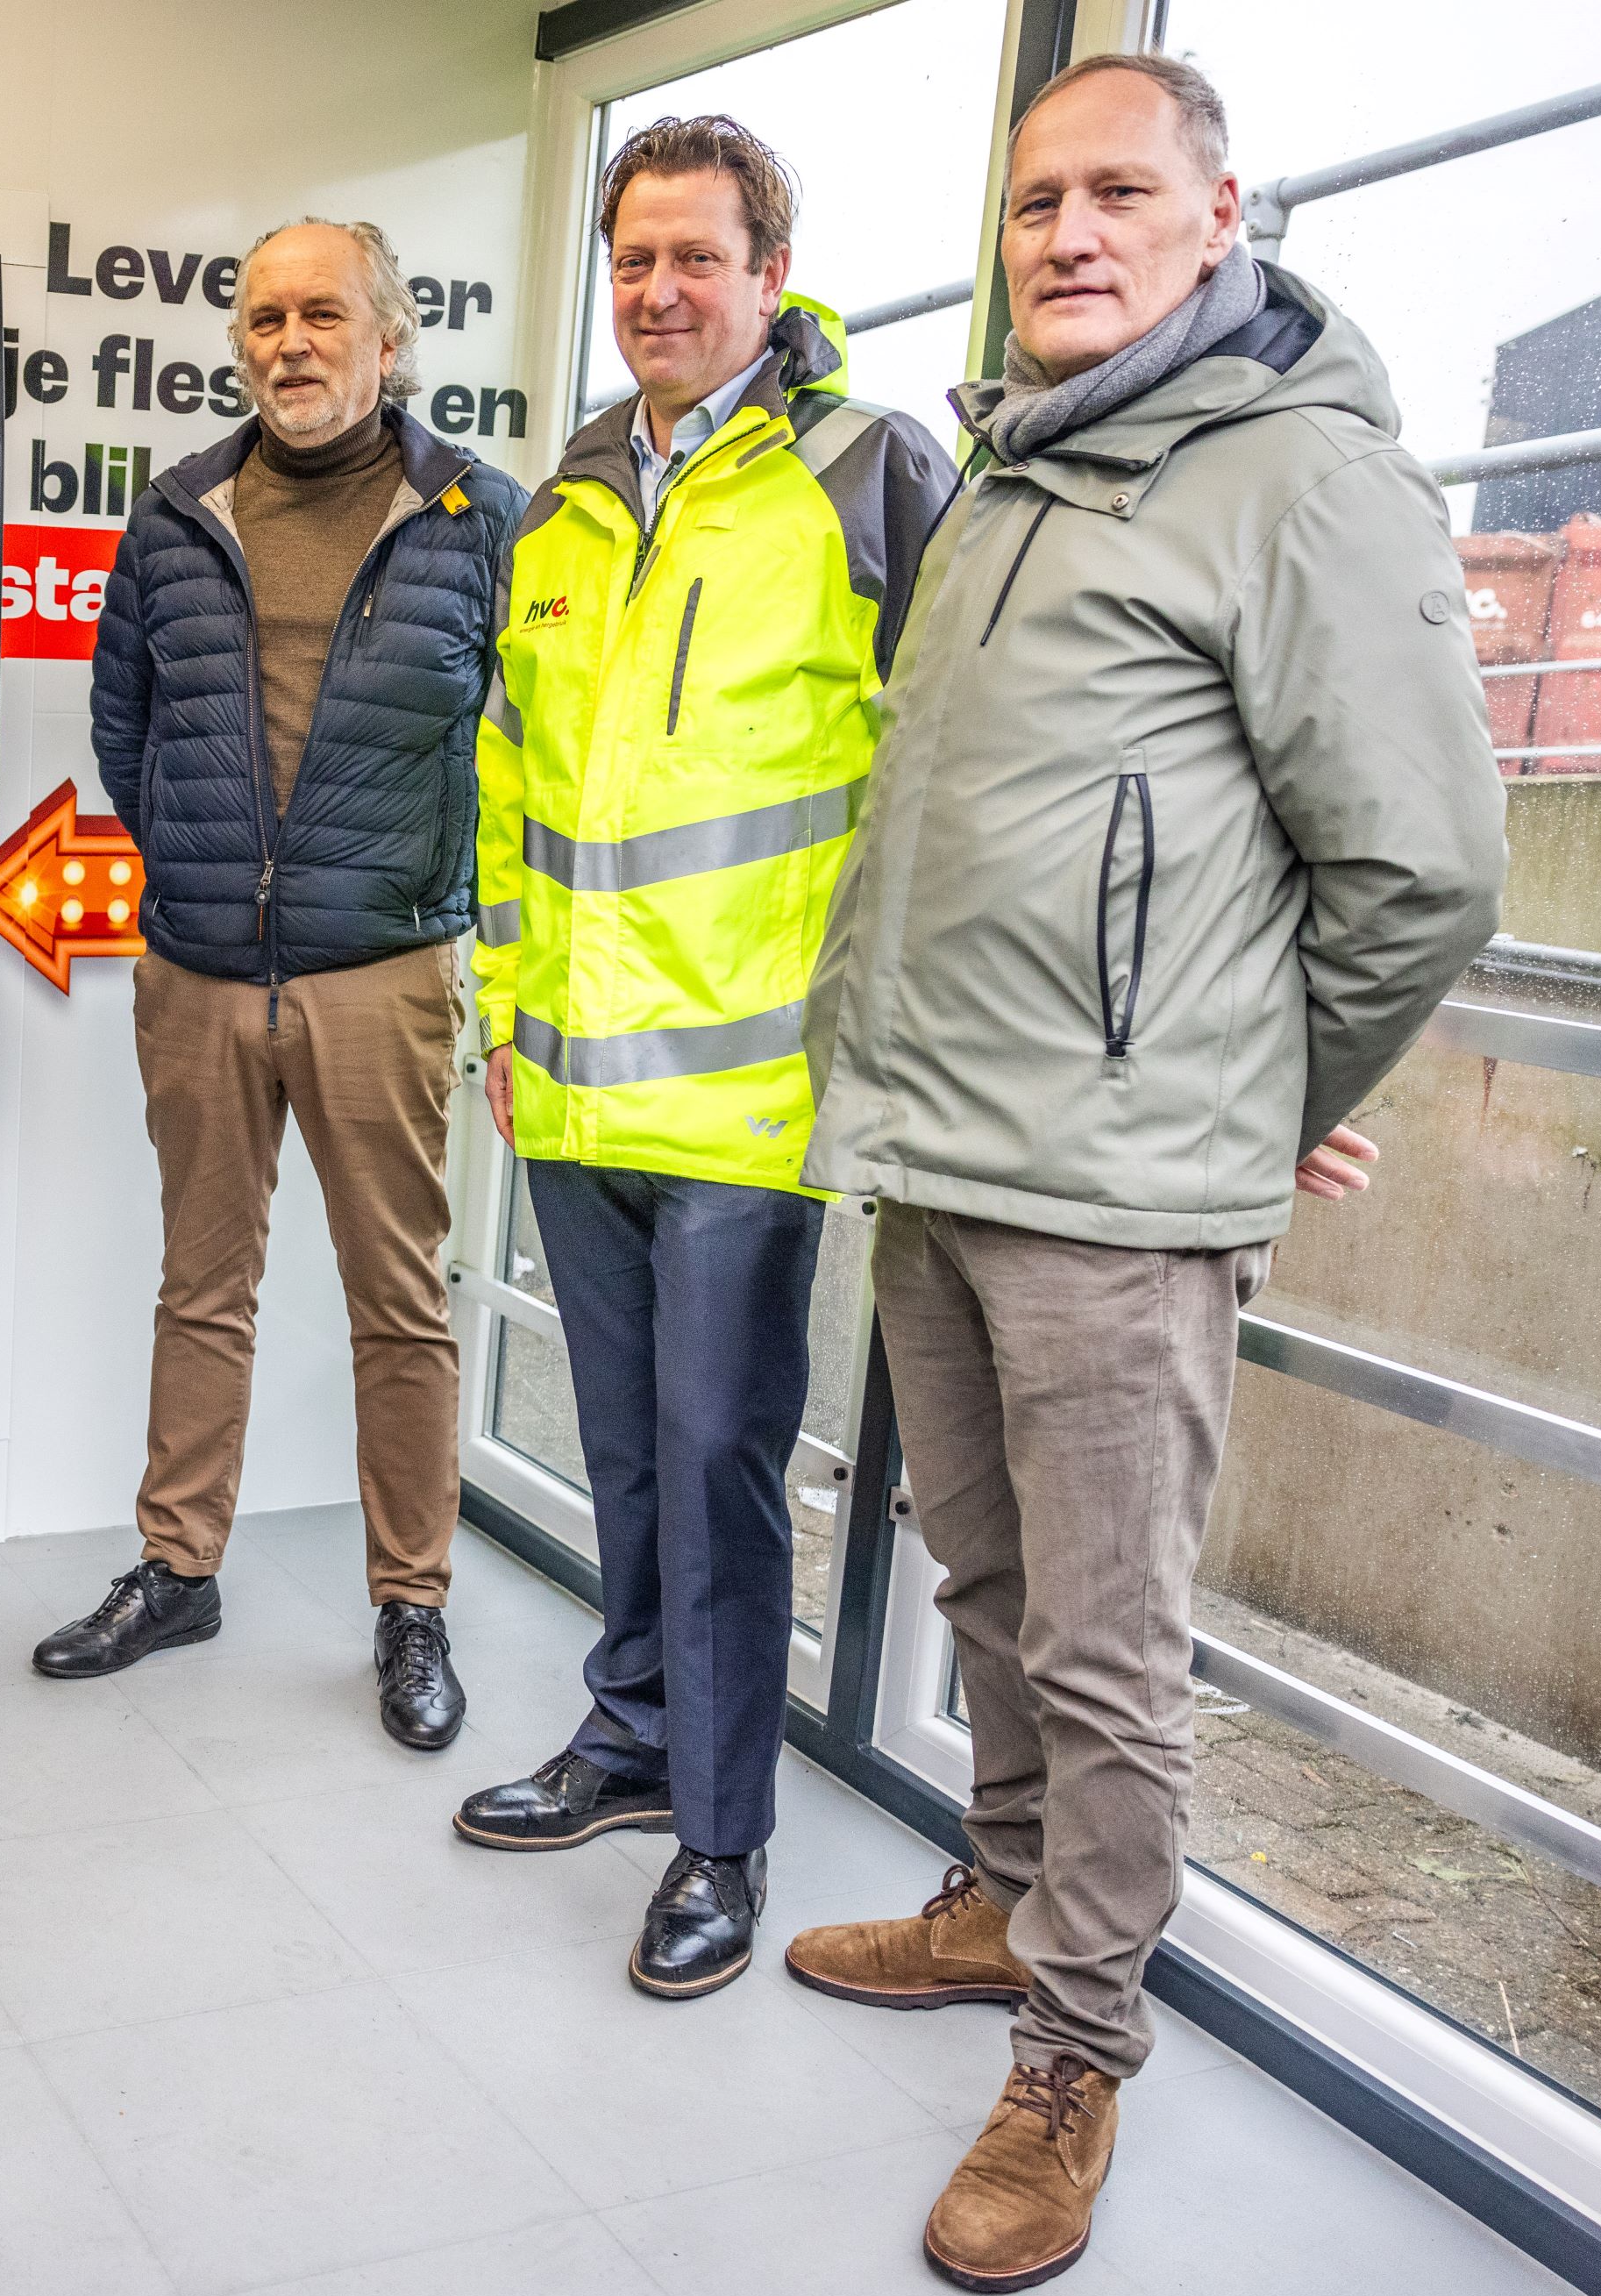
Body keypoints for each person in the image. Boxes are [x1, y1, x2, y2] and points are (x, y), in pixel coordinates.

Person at [786, 54, 1504, 2293]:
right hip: (941, 1142)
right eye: (1031, 201)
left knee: (1104, 1647)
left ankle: (1076, 2053)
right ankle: (1000, 1908)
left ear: (1221, 218)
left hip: (1118, 1197)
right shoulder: (1017, 467)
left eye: (1114, 193)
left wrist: (1257, 1096)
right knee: (979, 1586)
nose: (1065, 233)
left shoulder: (1297, 481)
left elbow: (1421, 873)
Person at [452, 117, 954, 2000]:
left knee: (716, 1461)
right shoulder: (565, 498)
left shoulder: (865, 473)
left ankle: (721, 1835)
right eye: (631, 260)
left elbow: (943, 781)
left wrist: (882, 1044)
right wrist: (507, 1013)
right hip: (569, 1084)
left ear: (766, 272)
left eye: (694, 258)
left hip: (750, 1101)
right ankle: (630, 1729)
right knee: (619, 1456)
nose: (657, 292)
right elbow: (508, 788)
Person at [27, 218, 525, 1750]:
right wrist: (203, 873)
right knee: (203, 1283)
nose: (288, 343)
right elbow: (129, 730)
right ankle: (179, 1569)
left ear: (391, 341)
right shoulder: (178, 515)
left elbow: (512, 746)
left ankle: (411, 1608)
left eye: (322, 315)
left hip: (384, 966)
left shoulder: (476, 516)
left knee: (400, 1304)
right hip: (198, 971)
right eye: (262, 320)